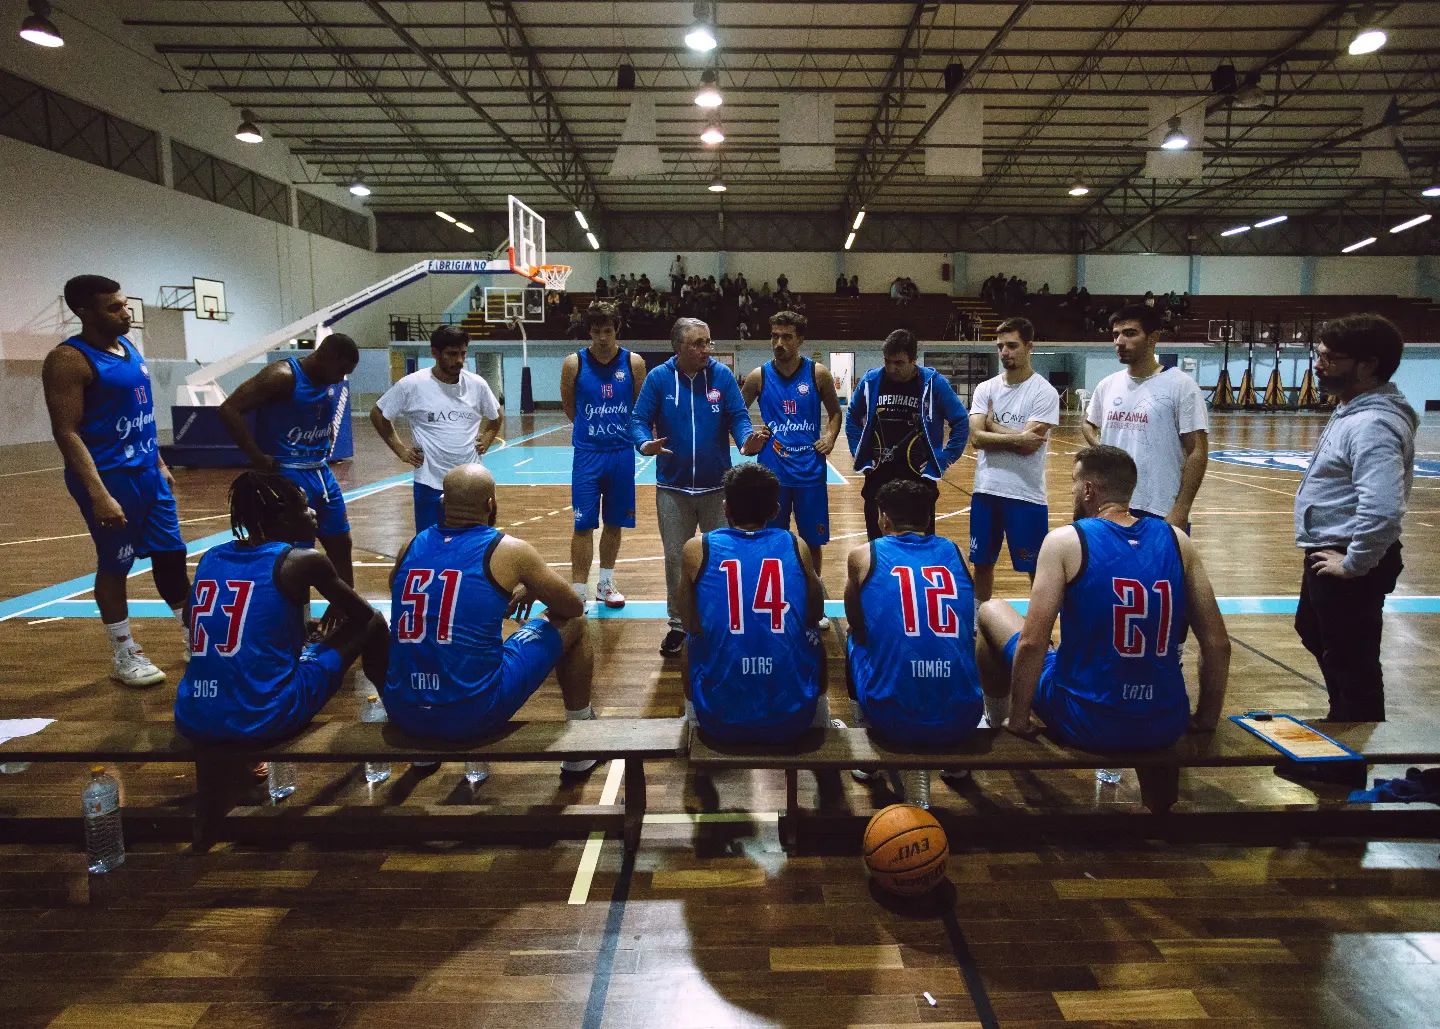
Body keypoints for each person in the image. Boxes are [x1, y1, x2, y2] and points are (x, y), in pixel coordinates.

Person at [976, 445, 1229, 753]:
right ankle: (1160, 801)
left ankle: (997, 719)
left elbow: (1032, 643)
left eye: (1073, 483)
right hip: (1165, 721)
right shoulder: (1178, 540)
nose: (1072, 491)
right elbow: (1217, 644)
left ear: (1088, 490)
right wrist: (1205, 720)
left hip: (1087, 719)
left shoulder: (1065, 540)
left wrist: (1019, 721)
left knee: (990, 610)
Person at [382, 464, 595, 774]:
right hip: (470, 712)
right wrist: (534, 587)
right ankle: (581, 746)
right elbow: (573, 606)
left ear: (443, 502)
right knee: (575, 624)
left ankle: (424, 755)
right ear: (491, 505)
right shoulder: (508, 550)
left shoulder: (410, 546)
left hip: (404, 709)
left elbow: (397, 591)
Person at [43, 274, 190, 687]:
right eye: (113, 308)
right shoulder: (69, 360)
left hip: (148, 473)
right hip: (108, 479)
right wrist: (99, 494)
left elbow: (140, 415)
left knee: (171, 556)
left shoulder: (127, 346)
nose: (125, 313)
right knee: (116, 564)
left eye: (125, 305)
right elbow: (66, 431)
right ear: (83, 312)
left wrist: (159, 461)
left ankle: (194, 636)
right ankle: (125, 652)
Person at [175, 472, 388, 742]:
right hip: (262, 717)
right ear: (285, 519)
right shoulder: (302, 561)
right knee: (375, 622)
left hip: (193, 713)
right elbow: (363, 615)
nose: (313, 512)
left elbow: (189, 618)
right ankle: (393, 707)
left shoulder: (211, 557)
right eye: (304, 507)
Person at [1293, 314, 1416, 721]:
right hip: (1330, 549)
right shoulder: (1351, 409)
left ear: (1368, 364)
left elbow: (1382, 507)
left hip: (1349, 557)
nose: (1319, 364)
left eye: (1331, 357)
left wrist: (1354, 563)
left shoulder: (1373, 423)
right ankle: (1341, 724)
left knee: (1354, 661)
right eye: (1319, 354)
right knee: (1318, 634)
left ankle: (1352, 757)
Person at [631, 317, 769, 656]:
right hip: (672, 489)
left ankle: (721, 619)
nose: (706, 349)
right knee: (676, 560)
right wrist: (644, 445)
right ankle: (679, 625)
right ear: (678, 346)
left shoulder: (720, 376)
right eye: (698, 343)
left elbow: (738, 415)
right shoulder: (659, 378)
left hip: (717, 490)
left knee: (722, 559)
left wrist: (746, 441)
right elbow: (638, 420)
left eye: (707, 341)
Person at [680, 463, 824, 743]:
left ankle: (692, 721)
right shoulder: (795, 544)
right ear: (775, 510)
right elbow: (815, 613)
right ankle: (821, 719)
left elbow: (689, 621)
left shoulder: (697, 547)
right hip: (793, 718)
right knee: (814, 633)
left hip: (719, 719)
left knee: (691, 638)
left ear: (726, 508)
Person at [845, 479, 983, 744]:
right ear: (928, 517)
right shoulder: (957, 553)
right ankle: (970, 750)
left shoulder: (863, 555)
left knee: (854, 636)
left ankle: (864, 740)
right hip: (963, 716)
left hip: (892, 717)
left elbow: (855, 621)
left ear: (884, 519)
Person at [219, 333, 360, 586]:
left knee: (341, 542)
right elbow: (229, 408)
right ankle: (296, 618)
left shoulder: (328, 380)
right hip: (288, 473)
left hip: (320, 471)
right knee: (295, 556)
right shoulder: (282, 376)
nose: (341, 379)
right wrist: (256, 456)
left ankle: (349, 614)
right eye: (340, 371)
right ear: (327, 357)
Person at [740, 311, 842, 599]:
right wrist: (749, 437)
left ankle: (813, 592)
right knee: (772, 536)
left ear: (800, 340)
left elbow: (835, 413)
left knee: (812, 539)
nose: (779, 342)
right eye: (774, 336)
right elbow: (736, 412)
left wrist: (829, 437)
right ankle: (776, 591)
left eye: (786, 336)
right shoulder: (758, 376)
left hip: (810, 470)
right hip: (772, 472)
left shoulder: (817, 373)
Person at [1082, 303, 1208, 531]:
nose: (1119, 342)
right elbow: (1088, 424)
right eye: (1116, 334)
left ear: (1153, 337)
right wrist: (1102, 449)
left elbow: (1197, 451)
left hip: (1159, 507)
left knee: (1162, 568)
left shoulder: (1181, 385)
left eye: (1130, 333)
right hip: (1110, 505)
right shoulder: (1107, 385)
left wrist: (1181, 509)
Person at [370, 325, 502, 533]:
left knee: (471, 544)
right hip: (429, 482)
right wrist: (401, 450)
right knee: (429, 543)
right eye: (451, 354)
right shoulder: (412, 385)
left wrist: (488, 437)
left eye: (462, 354)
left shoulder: (478, 385)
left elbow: (496, 415)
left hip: (470, 483)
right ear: (434, 353)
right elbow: (378, 414)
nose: (458, 360)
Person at [967, 317, 1061, 602]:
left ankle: (1039, 627)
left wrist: (993, 427)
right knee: (981, 563)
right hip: (986, 491)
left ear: (1029, 347)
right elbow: (976, 439)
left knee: (1035, 567)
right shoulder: (986, 389)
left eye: (1012, 345)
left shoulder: (1044, 392)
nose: (1005, 352)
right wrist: (1016, 436)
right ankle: (978, 620)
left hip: (1026, 494)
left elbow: (1029, 446)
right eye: (1000, 347)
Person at [560, 302, 646, 608]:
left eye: (607, 331)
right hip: (587, 454)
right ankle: (579, 590)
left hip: (621, 454)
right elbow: (570, 407)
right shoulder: (574, 363)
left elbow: (639, 407)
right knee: (583, 524)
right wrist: (591, 431)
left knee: (614, 522)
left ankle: (605, 583)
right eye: (596, 332)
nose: (602, 338)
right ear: (589, 332)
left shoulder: (634, 363)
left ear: (617, 330)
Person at [846, 329, 968, 541]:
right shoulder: (871, 381)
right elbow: (852, 417)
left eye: (899, 363)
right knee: (877, 545)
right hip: (878, 477)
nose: (892, 368)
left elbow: (960, 421)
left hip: (918, 479)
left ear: (913, 360)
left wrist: (944, 458)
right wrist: (860, 454)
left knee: (921, 545)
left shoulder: (934, 383)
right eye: (887, 361)